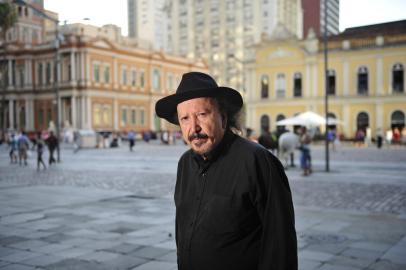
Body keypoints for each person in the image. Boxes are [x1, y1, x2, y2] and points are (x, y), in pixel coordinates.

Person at [155, 72, 297, 270]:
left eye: (202, 115)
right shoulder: (185, 164)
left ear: (223, 117)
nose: (193, 127)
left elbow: (280, 244)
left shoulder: (257, 161)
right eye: (185, 119)